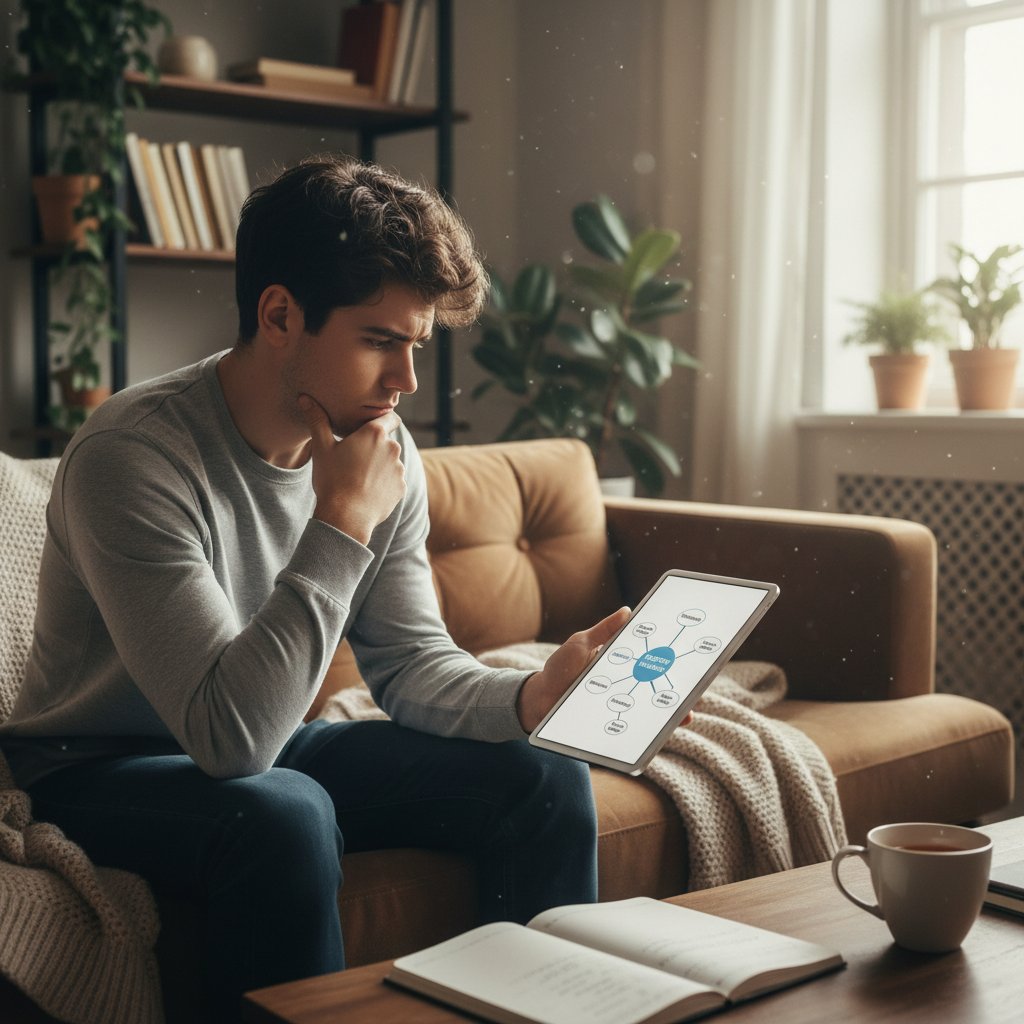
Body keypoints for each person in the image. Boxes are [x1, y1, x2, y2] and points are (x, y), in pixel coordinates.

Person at [0, 156, 634, 1019]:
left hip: (264, 741)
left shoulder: (385, 449)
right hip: (97, 769)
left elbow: (409, 665)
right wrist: (339, 519)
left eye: (416, 346)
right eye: (381, 341)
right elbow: (230, 740)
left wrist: (531, 697)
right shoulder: (131, 457)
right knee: (281, 813)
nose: (407, 383)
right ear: (280, 315)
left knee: (542, 778)